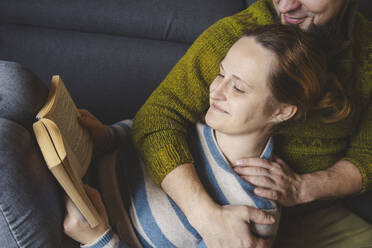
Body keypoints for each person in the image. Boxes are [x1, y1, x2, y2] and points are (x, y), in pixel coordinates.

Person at [63, 24, 361, 248]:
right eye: (221, 74)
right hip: (76, 175)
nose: (215, 91)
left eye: (239, 88)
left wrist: (98, 239)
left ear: (282, 111)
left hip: (74, 232)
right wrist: (109, 135)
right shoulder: (191, 126)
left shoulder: (254, 215)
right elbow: (141, 130)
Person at [128, 0, 372, 247]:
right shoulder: (238, 38)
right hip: (219, 202)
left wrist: (305, 188)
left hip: (316, 210)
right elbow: (157, 117)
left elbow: (367, 154)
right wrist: (206, 216)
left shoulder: (368, 51)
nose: (285, 5)